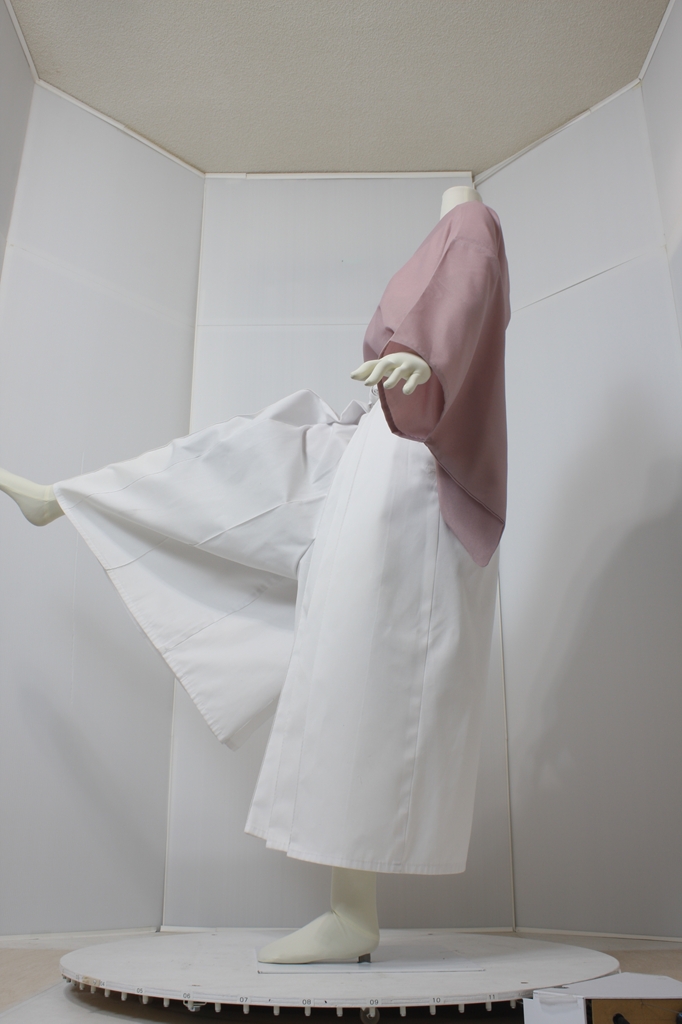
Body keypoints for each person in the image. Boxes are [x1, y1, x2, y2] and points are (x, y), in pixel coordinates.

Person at [0, 186, 510, 964]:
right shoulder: (452, 231)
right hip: (377, 444)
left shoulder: (470, 222)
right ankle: (75, 498)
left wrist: (426, 359)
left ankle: (353, 911)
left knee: (360, 677)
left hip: (410, 469)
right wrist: (407, 370)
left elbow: (467, 303)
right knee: (244, 462)